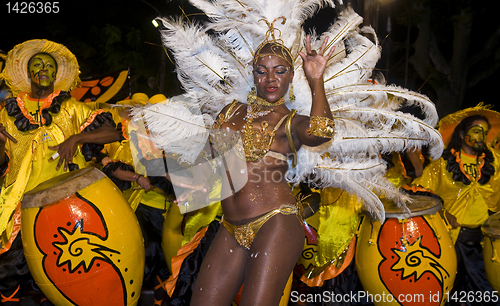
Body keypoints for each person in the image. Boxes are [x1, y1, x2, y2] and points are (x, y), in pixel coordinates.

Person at [0, 39, 122, 305]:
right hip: (18, 206)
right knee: (8, 272)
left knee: (60, 275)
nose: (44, 70)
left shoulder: (72, 108)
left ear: (56, 75)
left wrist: (77, 139)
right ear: (28, 72)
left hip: (64, 208)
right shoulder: (7, 113)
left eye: (49, 66)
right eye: (38, 65)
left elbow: (113, 132)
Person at [411, 106, 500, 305]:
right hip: (455, 237)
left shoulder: (495, 162)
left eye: (485, 132)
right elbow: (420, 191)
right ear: (462, 133)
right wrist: (443, 210)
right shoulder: (441, 165)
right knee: (457, 289)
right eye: (477, 130)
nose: (482, 136)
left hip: (487, 240)